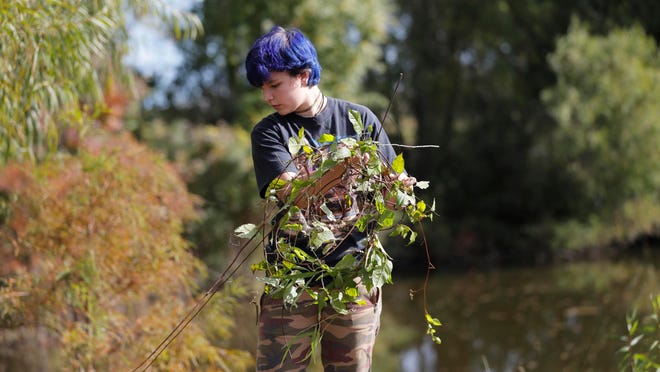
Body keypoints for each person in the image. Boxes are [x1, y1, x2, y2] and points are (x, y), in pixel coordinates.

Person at [245, 26, 409, 371]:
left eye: (274, 85)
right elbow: (294, 196)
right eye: (263, 88)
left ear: (303, 75)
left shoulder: (361, 119)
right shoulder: (269, 132)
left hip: (353, 278)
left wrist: (399, 192)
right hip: (291, 279)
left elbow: (388, 208)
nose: (267, 96)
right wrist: (345, 165)